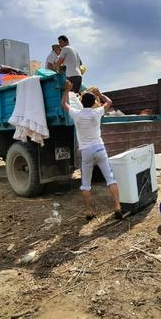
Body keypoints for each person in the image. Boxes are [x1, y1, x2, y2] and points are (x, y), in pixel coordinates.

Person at [60, 80, 121, 220]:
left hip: (86, 151)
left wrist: (66, 90)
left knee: (86, 184)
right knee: (110, 179)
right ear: (94, 101)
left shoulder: (77, 114)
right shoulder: (97, 112)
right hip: (100, 148)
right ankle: (117, 206)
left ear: (81, 102)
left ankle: (89, 211)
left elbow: (63, 104)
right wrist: (99, 93)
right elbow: (109, 102)